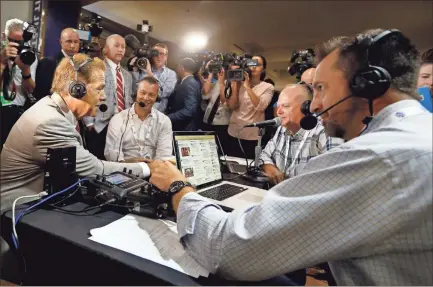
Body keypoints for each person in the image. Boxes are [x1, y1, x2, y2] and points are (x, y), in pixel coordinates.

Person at [148, 29, 432, 285]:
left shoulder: (376, 156)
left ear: (367, 85)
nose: (316, 105)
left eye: (321, 88)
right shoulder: (416, 133)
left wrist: (178, 187)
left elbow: (231, 250)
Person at [0, 53, 154, 211]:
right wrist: (148, 168)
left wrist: (130, 163)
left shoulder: (58, 110)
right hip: (16, 210)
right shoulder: (51, 122)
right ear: (76, 89)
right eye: (99, 89)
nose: (104, 96)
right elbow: (95, 170)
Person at [260, 83, 343, 185]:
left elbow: (336, 175)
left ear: (306, 108)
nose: (279, 112)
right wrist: (271, 169)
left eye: (285, 106)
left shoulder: (324, 130)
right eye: (278, 106)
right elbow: (265, 155)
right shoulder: (282, 129)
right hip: (281, 195)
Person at [82, 34, 134, 159]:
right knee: (97, 162)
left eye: (123, 47)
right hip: (100, 125)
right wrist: (89, 124)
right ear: (105, 49)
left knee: (117, 162)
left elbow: (128, 99)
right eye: (116, 46)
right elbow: (85, 96)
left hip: (122, 126)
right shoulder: (95, 68)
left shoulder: (127, 75)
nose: (121, 49)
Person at [104, 76, 173, 161]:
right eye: (142, 93)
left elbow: (164, 155)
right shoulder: (118, 119)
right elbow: (112, 154)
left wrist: (152, 168)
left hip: (154, 169)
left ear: (157, 98)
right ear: (136, 93)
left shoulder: (164, 121)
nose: (146, 98)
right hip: (124, 169)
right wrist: (131, 165)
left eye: (151, 95)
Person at [226, 55, 274, 158]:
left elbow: (261, 106)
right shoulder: (238, 83)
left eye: (258, 64)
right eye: (251, 63)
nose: (254, 67)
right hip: (234, 132)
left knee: (248, 168)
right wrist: (234, 85)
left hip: (252, 135)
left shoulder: (267, 87)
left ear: (263, 68)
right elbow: (232, 106)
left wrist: (247, 87)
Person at [1, 19, 38, 148]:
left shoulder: (27, 55)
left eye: (20, 42)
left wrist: (26, 70)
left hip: (16, 112)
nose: (16, 46)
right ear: (4, 36)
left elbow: (30, 90)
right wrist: (2, 62)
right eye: (12, 41)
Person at [33, 28, 80, 101]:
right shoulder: (48, 62)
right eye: (69, 41)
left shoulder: (80, 65)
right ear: (61, 42)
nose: (72, 45)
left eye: (76, 42)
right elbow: (40, 92)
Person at [129, 43, 177, 114]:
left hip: (156, 114)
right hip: (137, 111)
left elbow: (162, 93)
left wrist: (149, 73)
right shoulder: (142, 68)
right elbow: (134, 90)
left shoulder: (171, 74)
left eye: (162, 54)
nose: (159, 56)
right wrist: (134, 70)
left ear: (166, 57)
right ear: (151, 55)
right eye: (155, 53)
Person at [199, 61, 232, 152]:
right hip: (208, 120)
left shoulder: (232, 84)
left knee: (218, 151)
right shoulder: (216, 82)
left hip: (221, 123)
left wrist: (222, 83)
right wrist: (210, 73)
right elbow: (205, 93)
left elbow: (224, 100)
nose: (220, 72)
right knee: (204, 150)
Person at [167, 58, 201, 131]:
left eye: (177, 66)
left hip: (185, 127)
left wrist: (168, 117)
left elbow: (189, 110)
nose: (176, 69)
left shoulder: (190, 83)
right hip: (182, 125)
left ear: (182, 68)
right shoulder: (187, 81)